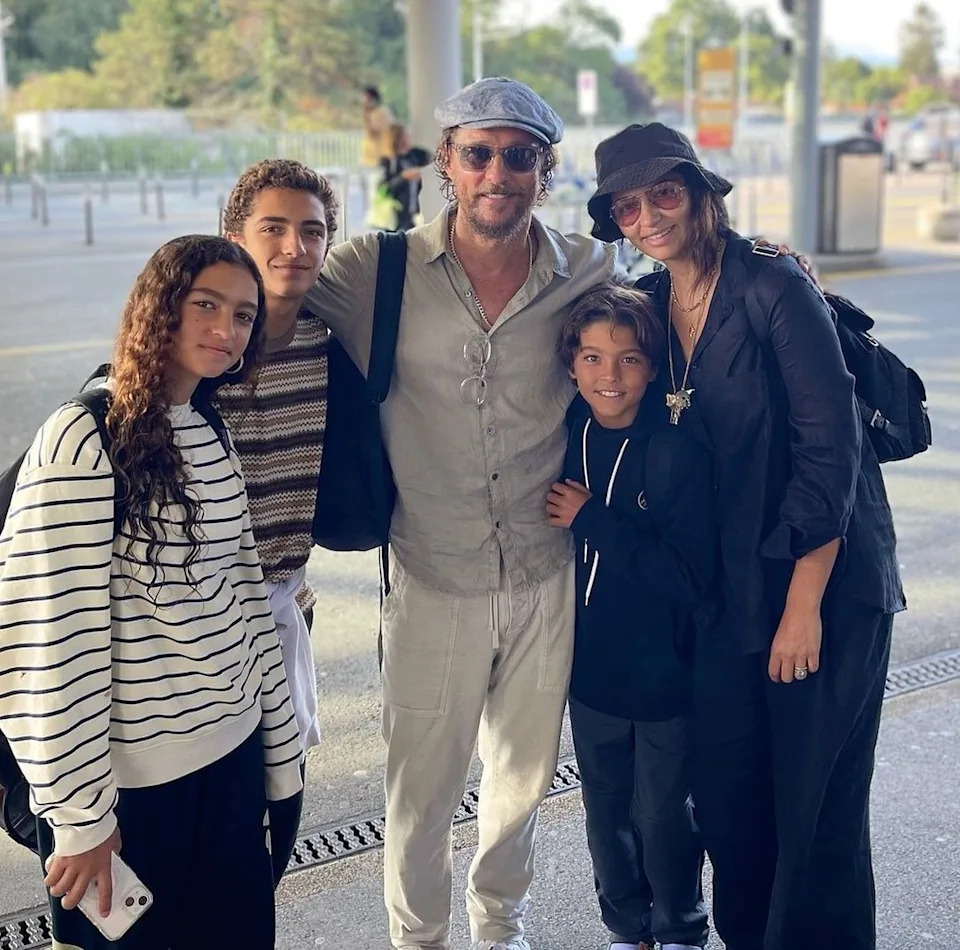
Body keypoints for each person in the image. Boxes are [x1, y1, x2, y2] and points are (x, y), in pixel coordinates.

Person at [304, 76, 618, 950]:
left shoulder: (587, 269)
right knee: (421, 791)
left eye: (519, 157)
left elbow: (677, 300)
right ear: (446, 160)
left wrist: (770, 264)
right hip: (432, 574)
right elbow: (259, 295)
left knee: (521, 784)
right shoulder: (375, 272)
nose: (496, 174)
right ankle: (419, 939)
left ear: (544, 170)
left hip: (545, 573)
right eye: (478, 154)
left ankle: (499, 927)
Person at [586, 122, 904, 950]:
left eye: (664, 192)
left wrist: (803, 607)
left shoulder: (771, 284)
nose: (649, 216)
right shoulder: (650, 303)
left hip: (824, 585)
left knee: (813, 812)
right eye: (628, 206)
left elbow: (830, 452)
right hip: (727, 595)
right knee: (730, 806)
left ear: (701, 193)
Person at [0, 235, 303, 948]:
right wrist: (81, 818)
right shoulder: (83, 437)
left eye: (243, 315)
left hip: (231, 765)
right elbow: (50, 640)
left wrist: (279, 747)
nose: (226, 329)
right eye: (206, 305)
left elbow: (243, 595)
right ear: (158, 305)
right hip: (133, 792)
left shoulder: (209, 428)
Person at [546, 282, 715, 950]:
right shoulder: (566, 434)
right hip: (591, 673)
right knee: (604, 810)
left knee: (662, 813)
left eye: (628, 359)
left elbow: (689, 576)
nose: (608, 376)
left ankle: (679, 928)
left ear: (652, 368)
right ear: (570, 365)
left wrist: (594, 520)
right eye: (591, 357)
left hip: (664, 675)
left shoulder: (674, 451)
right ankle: (626, 926)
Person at [217, 158, 339, 884]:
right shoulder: (200, 342)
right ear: (235, 236)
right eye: (273, 228)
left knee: (276, 821)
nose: (295, 247)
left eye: (312, 231)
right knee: (205, 822)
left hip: (284, 603)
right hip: (194, 624)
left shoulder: (332, 339)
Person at [380, 123, 431, 231]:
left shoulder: (416, 155)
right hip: (395, 216)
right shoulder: (388, 161)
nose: (409, 138)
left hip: (414, 214)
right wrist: (403, 177)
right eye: (405, 135)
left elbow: (433, 160)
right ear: (397, 138)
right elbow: (385, 189)